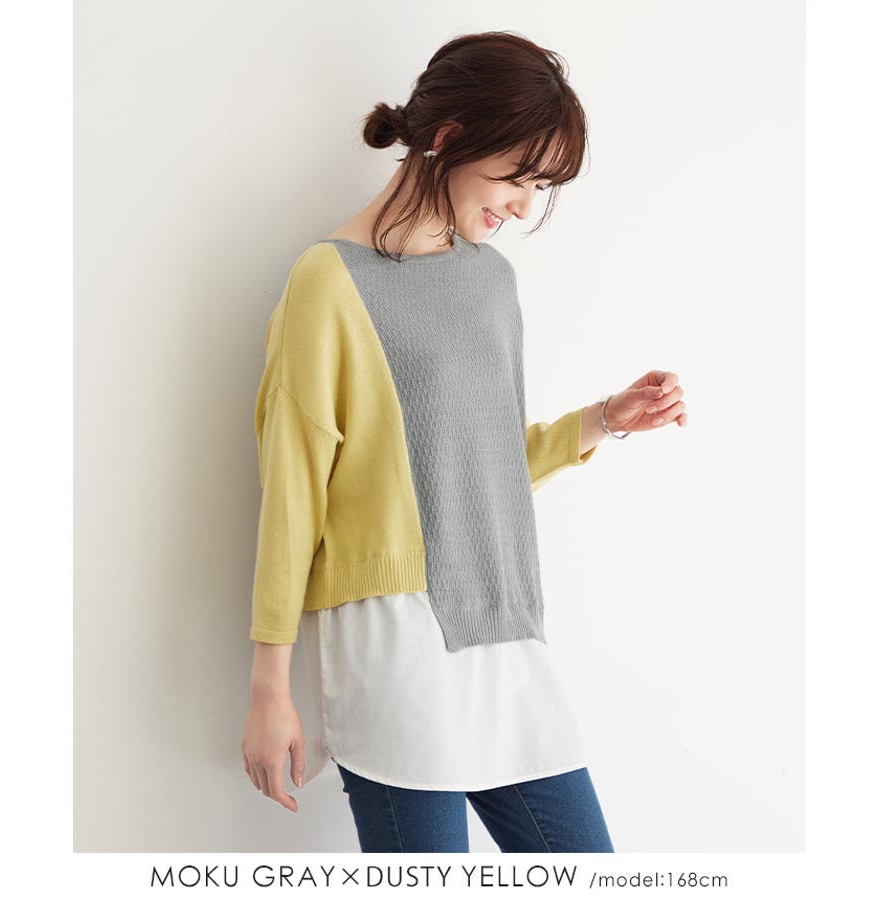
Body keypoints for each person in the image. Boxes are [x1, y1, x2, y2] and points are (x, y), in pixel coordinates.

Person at [240, 30, 688, 853]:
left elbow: (481, 467)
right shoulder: (328, 284)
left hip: (505, 624)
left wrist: (604, 419)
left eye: (539, 188)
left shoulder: (491, 280)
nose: (522, 208)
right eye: (517, 178)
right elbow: (292, 493)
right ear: (449, 138)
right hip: (394, 644)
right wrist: (270, 686)